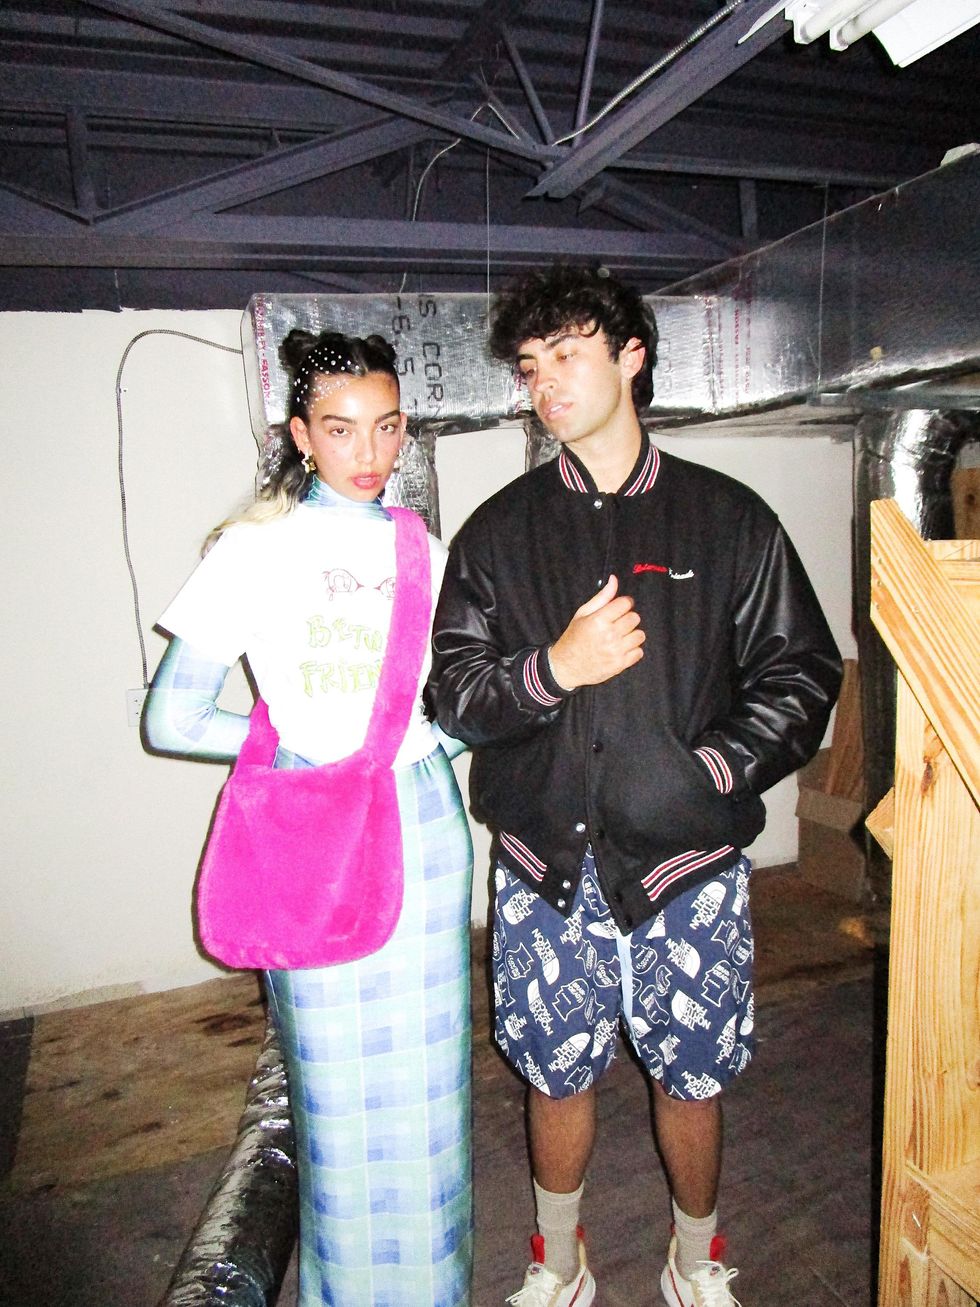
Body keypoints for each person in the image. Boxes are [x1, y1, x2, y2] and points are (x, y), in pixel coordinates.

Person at [430, 264, 842, 1307]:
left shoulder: (726, 519)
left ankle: (694, 1256)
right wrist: (552, 669)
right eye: (531, 366)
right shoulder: (499, 531)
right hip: (546, 866)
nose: (545, 383)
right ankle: (557, 1258)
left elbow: (800, 673)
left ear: (631, 357)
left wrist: (710, 771)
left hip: (687, 866)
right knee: (554, 1070)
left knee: (691, 1072)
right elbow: (456, 696)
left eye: (567, 355)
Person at [143, 329, 474, 1307]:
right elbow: (173, 718)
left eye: (386, 427)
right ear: (300, 434)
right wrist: (294, 746)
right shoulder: (252, 551)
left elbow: (460, 707)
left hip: (425, 832)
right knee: (333, 1097)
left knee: (430, 1097)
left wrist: (427, 740)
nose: (368, 452)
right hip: (315, 835)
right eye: (340, 428)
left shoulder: (426, 551)